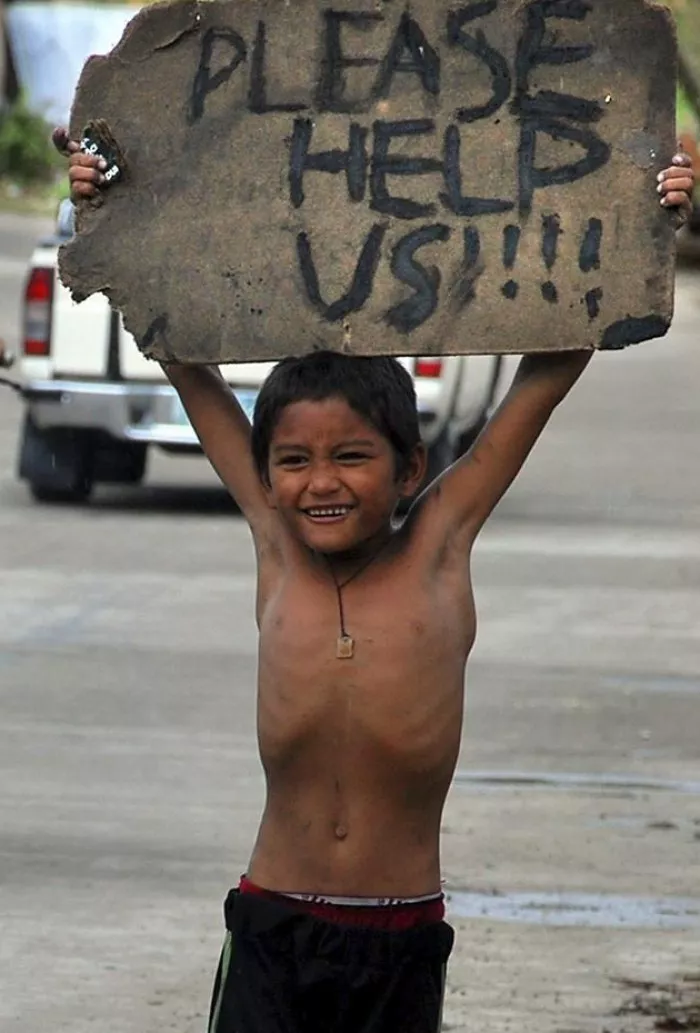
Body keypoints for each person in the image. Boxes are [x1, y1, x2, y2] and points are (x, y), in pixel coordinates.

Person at [54, 126, 694, 1033]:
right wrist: (104, 205)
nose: (321, 482)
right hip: (271, 923)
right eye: (296, 461)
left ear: (408, 466)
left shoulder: (439, 546)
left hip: (398, 937)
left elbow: (543, 379)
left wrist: (641, 221)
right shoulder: (275, 546)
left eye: (353, 456)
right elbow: (180, 360)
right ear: (266, 474)